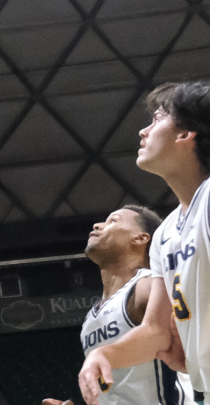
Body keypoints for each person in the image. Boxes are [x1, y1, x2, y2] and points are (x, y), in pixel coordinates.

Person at [79, 81, 210, 405]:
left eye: (156, 119)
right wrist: (104, 355)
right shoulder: (165, 235)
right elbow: (156, 332)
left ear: (185, 133)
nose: (143, 131)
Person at [42, 205, 192, 405]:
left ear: (140, 238)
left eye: (113, 221)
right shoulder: (91, 318)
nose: (97, 225)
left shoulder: (145, 286)